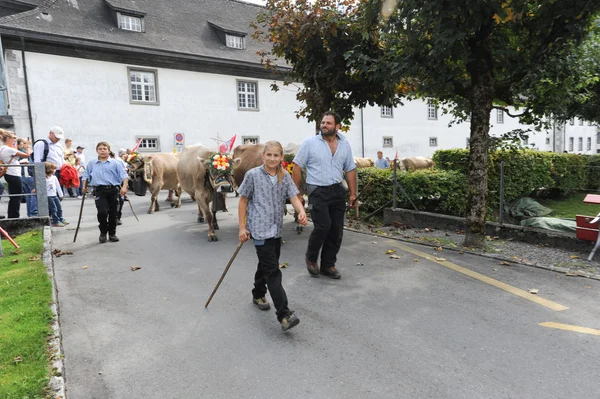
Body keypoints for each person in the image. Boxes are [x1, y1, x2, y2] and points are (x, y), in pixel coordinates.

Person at [238, 140, 307, 331]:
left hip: (276, 230)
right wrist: (242, 227)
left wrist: (300, 211)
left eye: (276, 155)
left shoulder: (284, 176)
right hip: (259, 230)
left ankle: (258, 293)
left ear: (281, 158)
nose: (272, 158)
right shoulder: (252, 175)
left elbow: (293, 196)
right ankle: (284, 314)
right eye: (269, 155)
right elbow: (243, 201)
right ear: (263, 156)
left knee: (266, 264)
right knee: (273, 271)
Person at [292, 111, 357, 279]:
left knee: (336, 230)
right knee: (323, 226)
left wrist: (352, 194)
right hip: (317, 191)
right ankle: (311, 259)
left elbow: (350, 168)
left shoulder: (344, 144)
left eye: (328, 123)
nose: (324, 125)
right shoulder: (310, 143)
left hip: (337, 191)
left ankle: (328, 265)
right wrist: (297, 193)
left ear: (337, 126)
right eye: (323, 122)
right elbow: (297, 166)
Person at [82, 142, 128, 243]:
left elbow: (124, 176)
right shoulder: (92, 163)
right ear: (97, 151)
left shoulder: (115, 163)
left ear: (108, 150)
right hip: (99, 191)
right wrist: (84, 186)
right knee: (102, 213)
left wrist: (124, 187)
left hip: (113, 190)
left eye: (104, 148)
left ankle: (112, 234)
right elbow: (86, 176)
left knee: (113, 213)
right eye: (100, 149)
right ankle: (103, 232)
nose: (102, 150)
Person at [0, 130, 31, 218]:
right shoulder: (9, 149)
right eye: (14, 138)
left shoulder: (2, 148)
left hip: (9, 173)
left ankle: (12, 215)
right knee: (17, 196)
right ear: (8, 138)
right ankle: (14, 216)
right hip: (14, 174)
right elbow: (27, 155)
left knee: (14, 196)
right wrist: (28, 146)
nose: (15, 140)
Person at [43, 162, 65, 227]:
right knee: (53, 209)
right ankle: (55, 221)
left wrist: (61, 194)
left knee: (59, 208)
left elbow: (58, 186)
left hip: (54, 195)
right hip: (49, 196)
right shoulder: (44, 178)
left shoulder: (54, 177)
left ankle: (60, 218)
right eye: (54, 169)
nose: (55, 170)